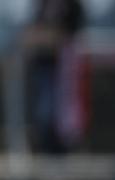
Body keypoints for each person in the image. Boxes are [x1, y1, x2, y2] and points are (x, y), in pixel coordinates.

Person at [21, 0, 88, 153]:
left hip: (66, 67)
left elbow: (72, 32)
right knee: (44, 110)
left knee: (66, 110)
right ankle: (47, 147)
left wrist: (49, 37)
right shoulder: (42, 5)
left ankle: (64, 148)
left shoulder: (72, 6)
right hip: (45, 66)